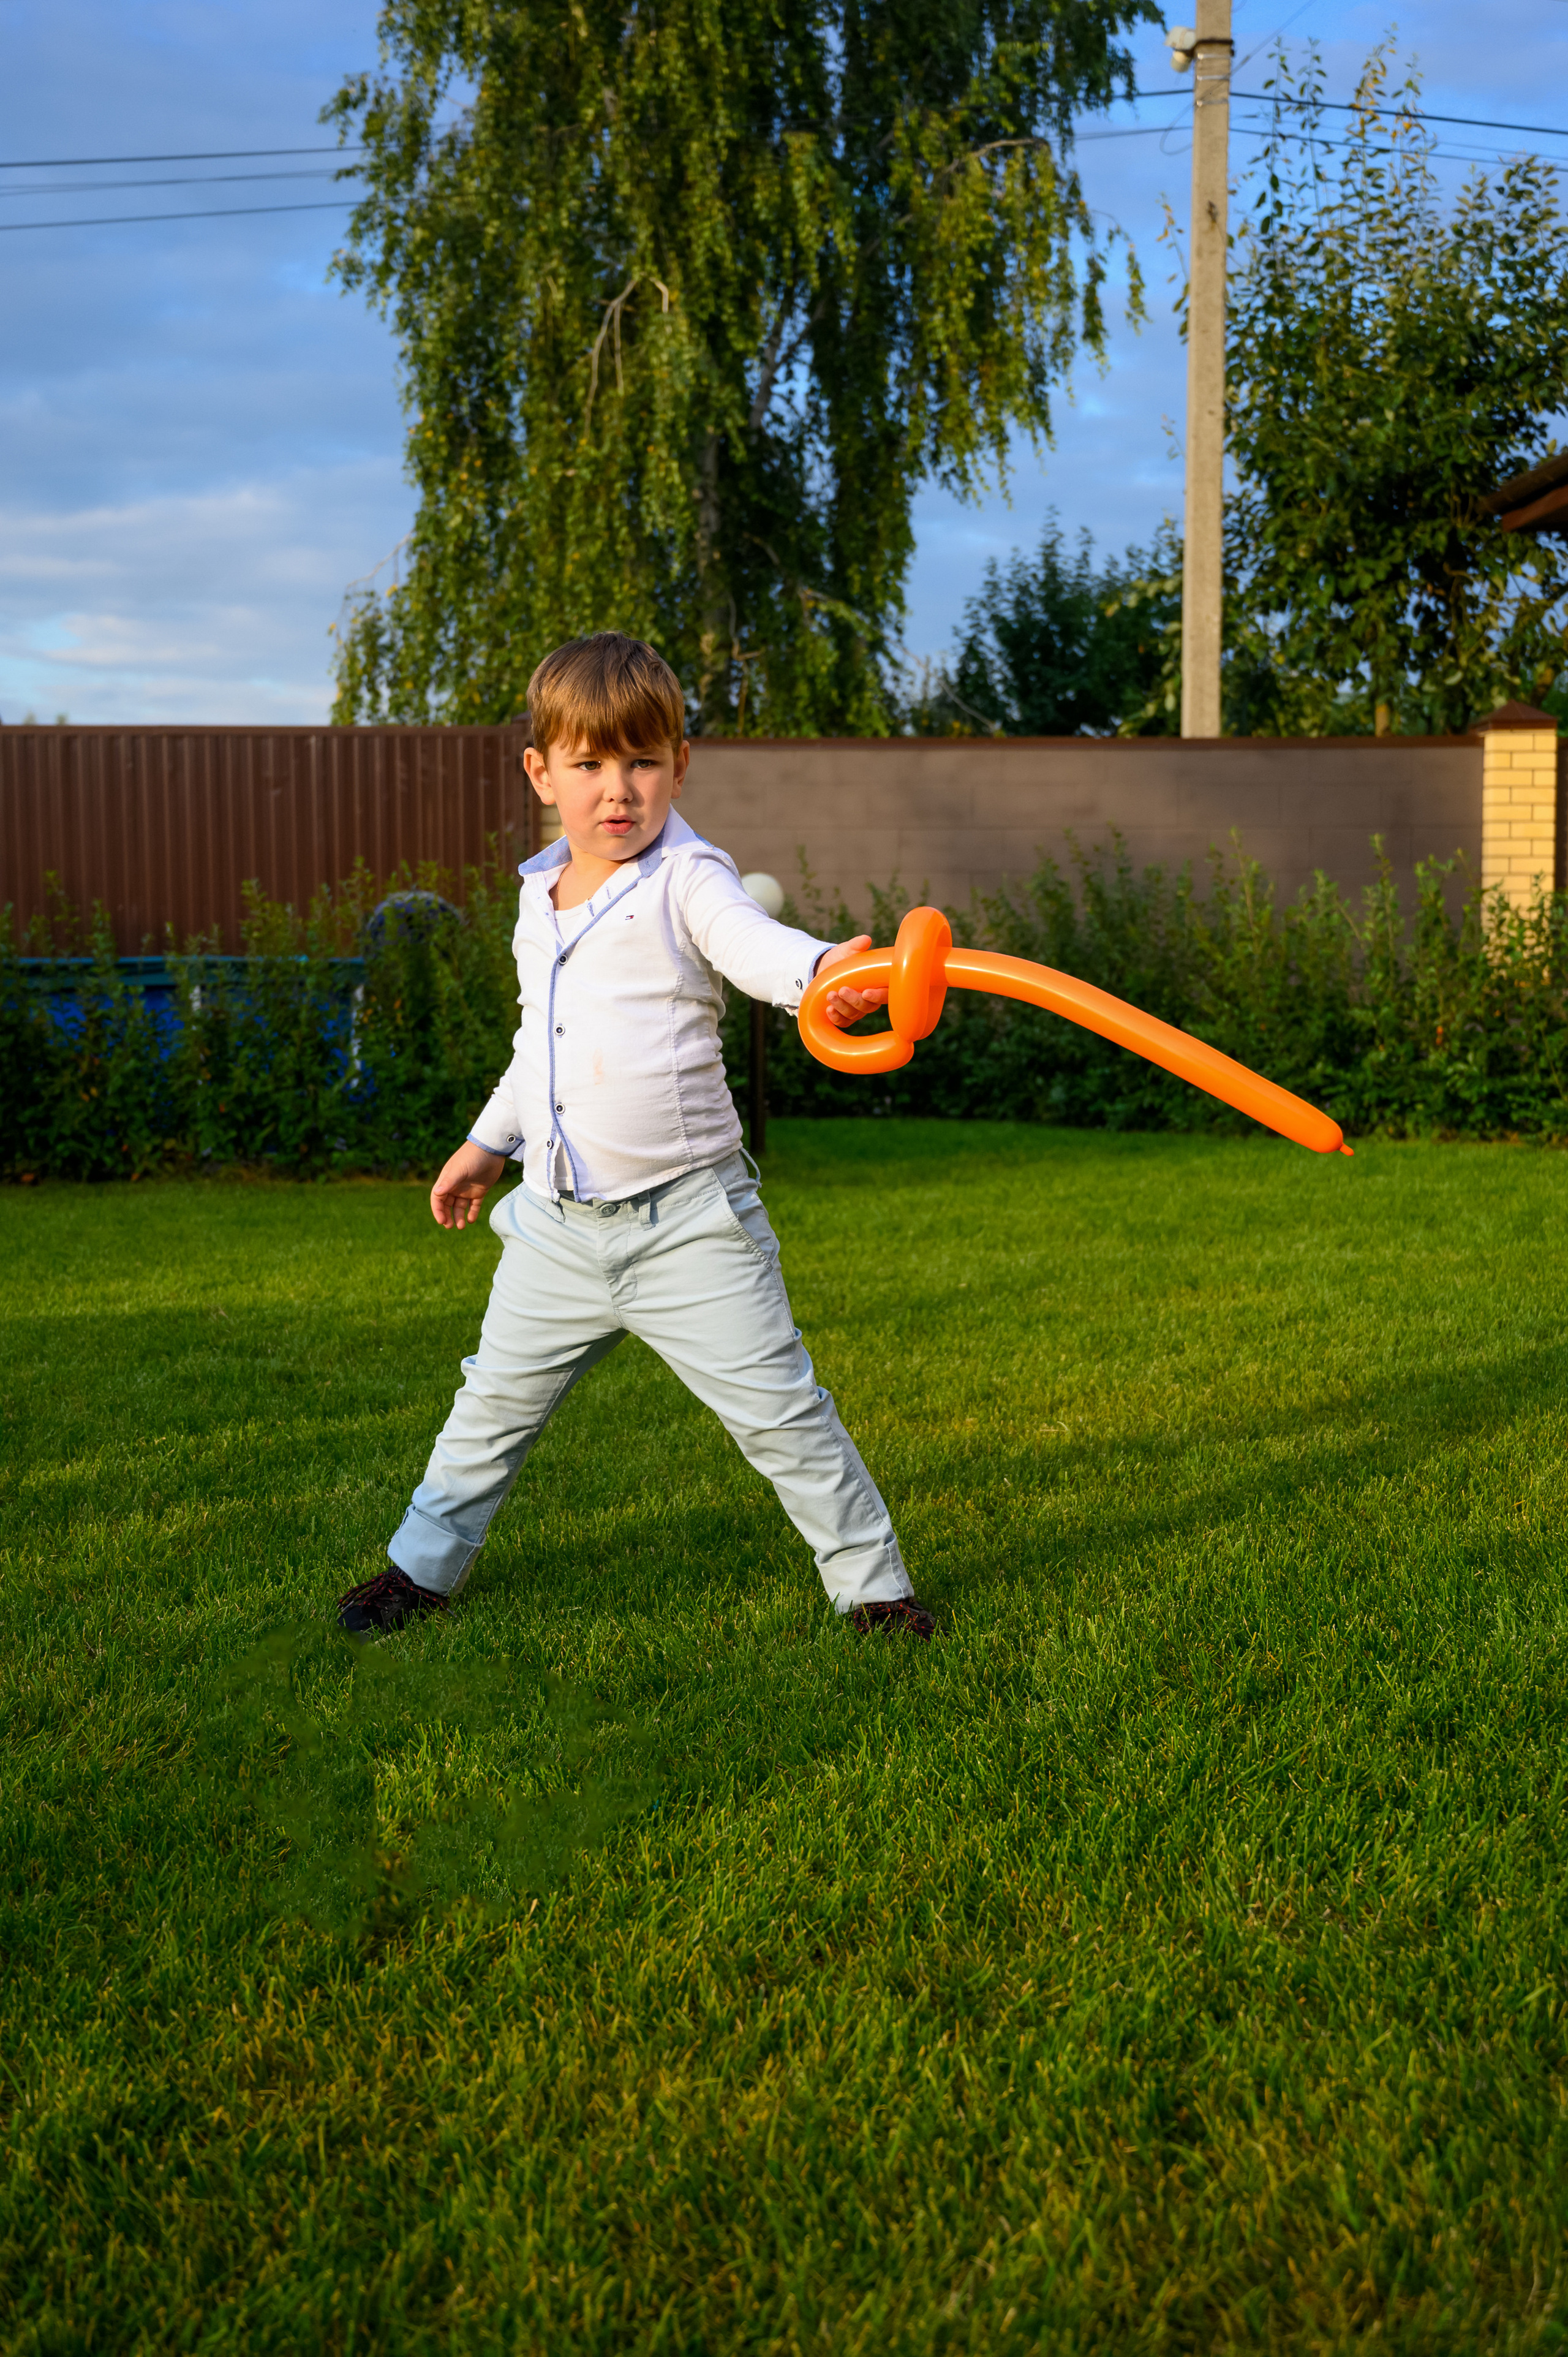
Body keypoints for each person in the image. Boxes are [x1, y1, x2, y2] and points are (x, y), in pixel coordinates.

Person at [336, 632, 933, 1641]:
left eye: (642, 762)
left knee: (782, 1415)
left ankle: (875, 1591)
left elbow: (756, 947)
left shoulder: (688, 877)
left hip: (690, 1225)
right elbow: (544, 1047)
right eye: (589, 765)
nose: (618, 791)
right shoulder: (539, 897)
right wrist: (488, 1144)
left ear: (679, 766)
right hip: (560, 1232)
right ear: (542, 774)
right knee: (489, 1409)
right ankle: (418, 1571)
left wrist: (829, 971)